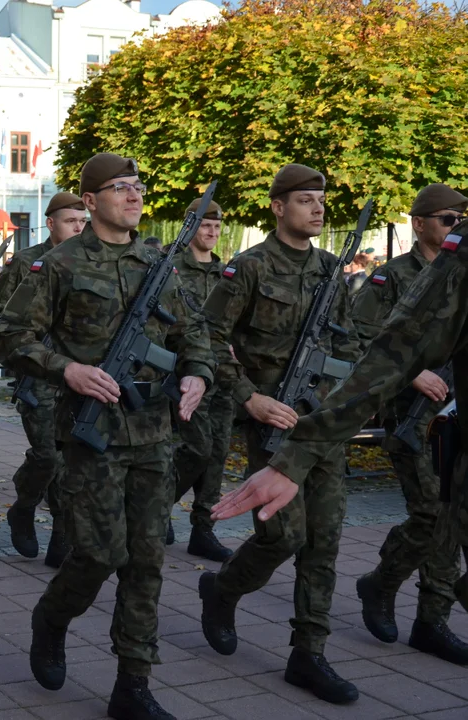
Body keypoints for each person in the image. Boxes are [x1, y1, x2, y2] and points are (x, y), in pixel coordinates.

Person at [0, 153, 213, 720]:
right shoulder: (60, 265)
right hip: (91, 436)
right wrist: (66, 369)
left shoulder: (161, 263)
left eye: (139, 187)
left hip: (154, 432)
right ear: (90, 202)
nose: (135, 196)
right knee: (97, 553)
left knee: (146, 559)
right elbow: (12, 337)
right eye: (121, 188)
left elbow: (195, 333)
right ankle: (52, 618)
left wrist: (197, 373)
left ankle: (133, 684)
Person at [274, 183, 468, 665]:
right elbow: (365, 342)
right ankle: (381, 583)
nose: (455, 227)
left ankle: (431, 617)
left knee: (448, 519)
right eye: (447, 219)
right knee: (430, 515)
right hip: (411, 418)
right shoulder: (394, 277)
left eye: (459, 219)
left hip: (452, 415)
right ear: (420, 223)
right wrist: (413, 370)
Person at [197, 164, 362, 705]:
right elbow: (207, 337)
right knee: (282, 535)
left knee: (324, 542)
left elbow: (349, 346)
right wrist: (248, 395)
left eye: (320, 201)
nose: (317, 209)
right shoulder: (249, 267)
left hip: (321, 424)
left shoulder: (331, 271)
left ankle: (308, 654)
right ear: (277, 206)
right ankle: (221, 591)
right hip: (270, 422)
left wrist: (342, 400)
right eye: (305, 200)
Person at [0, 191, 87, 566]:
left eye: (82, 222)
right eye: (70, 221)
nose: (78, 228)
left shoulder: (93, 262)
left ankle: (62, 536)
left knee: (73, 460)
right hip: (41, 376)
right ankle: (25, 505)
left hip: (81, 377)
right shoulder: (29, 262)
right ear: (51, 224)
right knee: (48, 456)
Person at [167, 199, 235, 561]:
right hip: (187, 376)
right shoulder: (173, 267)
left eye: (216, 226)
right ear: (190, 227)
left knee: (218, 454)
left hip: (224, 377)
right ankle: (160, 505)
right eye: (205, 225)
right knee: (195, 448)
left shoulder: (227, 273)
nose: (211, 232)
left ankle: (203, 529)